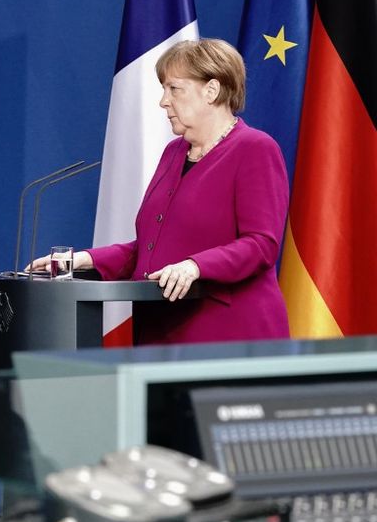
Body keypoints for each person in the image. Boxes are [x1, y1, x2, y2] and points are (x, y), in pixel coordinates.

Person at [29, 38, 290, 345]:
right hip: (161, 331)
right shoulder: (173, 153)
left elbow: (262, 244)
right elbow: (150, 250)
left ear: (212, 91)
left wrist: (196, 266)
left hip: (228, 336)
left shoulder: (255, 149)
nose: (163, 101)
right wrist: (83, 260)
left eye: (174, 89)